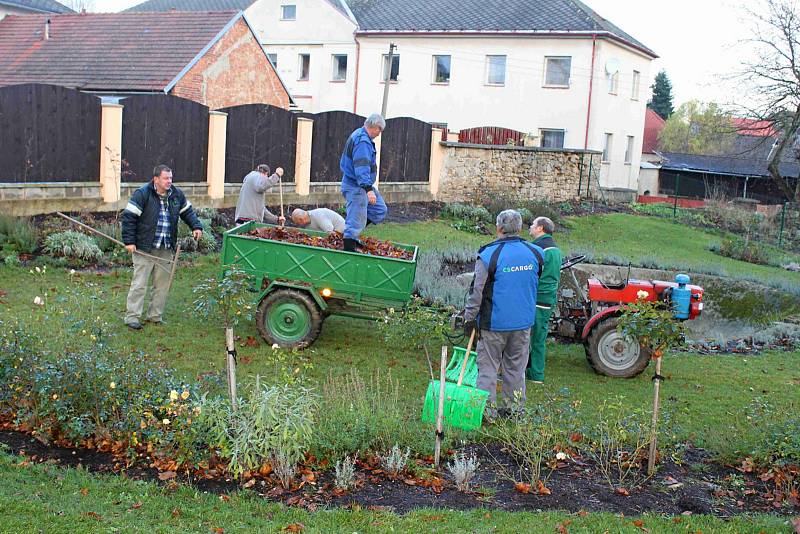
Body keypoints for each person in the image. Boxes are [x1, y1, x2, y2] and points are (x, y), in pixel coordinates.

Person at [463, 209, 544, 419]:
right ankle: (514, 410)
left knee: (488, 368)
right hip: (523, 323)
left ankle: (486, 413)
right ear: (519, 228)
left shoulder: (488, 254)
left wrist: (469, 319)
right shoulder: (535, 253)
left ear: (499, 228)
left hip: (494, 325)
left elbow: (476, 291)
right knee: (516, 369)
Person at [121, 164, 203, 330]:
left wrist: (196, 226)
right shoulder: (142, 194)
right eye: (166, 178)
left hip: (166, 247)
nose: (169, 181)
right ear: (156, 179)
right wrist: (129, 241)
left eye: (171, 178)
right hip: (145, 247)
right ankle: (132, 317)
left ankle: (155, 316)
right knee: (139, 284)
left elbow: (187, 212)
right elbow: (129, 218)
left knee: (162, 285)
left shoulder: (176, 195)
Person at [339, 113, 388, 252]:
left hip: (361, 184)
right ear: (375, 127)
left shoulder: (360, 135)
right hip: (357, 185)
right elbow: (362, 167)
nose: (379, 133)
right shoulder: (363, 142)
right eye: (380, 130)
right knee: (355, 217)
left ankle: (353, 234)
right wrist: (368, 189)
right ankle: (349, 247)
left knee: (379, 210)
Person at [526, 216, 562, 383]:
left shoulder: (537, 248)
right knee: (539, 337)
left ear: (540, 228)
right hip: (547, 299)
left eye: (533, 224)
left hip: (535, 297)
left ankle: (535, 374)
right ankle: (534, 372)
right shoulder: (555, 249)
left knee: (524, 336)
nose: (530, 227)